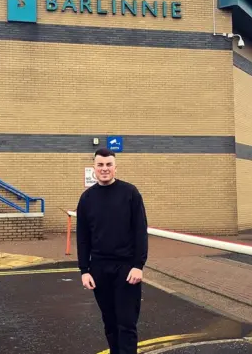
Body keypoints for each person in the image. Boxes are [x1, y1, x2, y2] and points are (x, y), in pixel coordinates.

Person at [76, 147, 148, 354]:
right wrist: (84, 270)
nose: (104, 169)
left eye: (109, 165)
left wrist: (138, 265)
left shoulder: (130, 193)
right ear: (94, 168)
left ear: (116, 168)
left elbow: (140, 232)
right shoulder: (87, 199)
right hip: (99, 268)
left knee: (126, 323)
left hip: (126, 269)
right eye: (100, 165)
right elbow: (83, 238)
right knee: (110, 323)